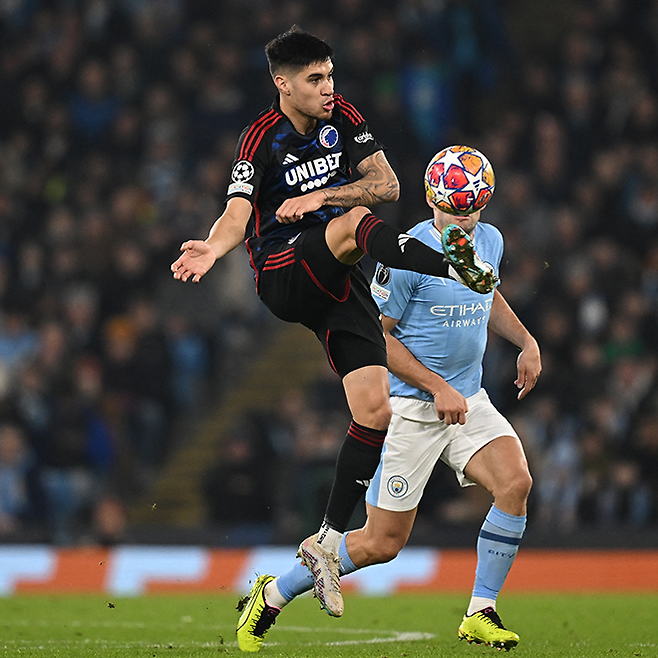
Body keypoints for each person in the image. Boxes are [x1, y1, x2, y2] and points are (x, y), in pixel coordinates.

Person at [171, 27, 496, 620]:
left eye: (330, 75)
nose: (328, 88)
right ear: (282, 84)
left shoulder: (341, 116)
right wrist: (214, 251)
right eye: (315, 79)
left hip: (336, 281)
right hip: (283, 269)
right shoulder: (261, 140)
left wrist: (323, 199)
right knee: (354, 224)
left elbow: (388, 184)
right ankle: (456, 264)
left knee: (375, 409)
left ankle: (323, 540)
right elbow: (238, 211)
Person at [235, 146, 541, 652]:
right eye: (454, 210)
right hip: (411, 410)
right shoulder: (407, 254)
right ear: (433, 201)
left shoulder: (490, 240)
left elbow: (486, 295)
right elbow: (378, 336)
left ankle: (480, 611)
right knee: (382, 544)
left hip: (468, 400)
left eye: (472, 210)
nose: (463, 220)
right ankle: (273, 593)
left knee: (515, 484)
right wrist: (435, 385)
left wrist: (526, 341)